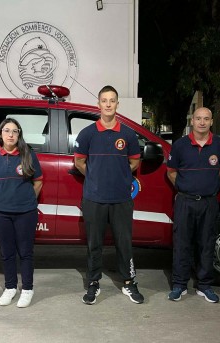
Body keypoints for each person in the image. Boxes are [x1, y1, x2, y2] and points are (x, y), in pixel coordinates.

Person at [74, 85, 144, 305]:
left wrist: (119, 176)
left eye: (112, 100)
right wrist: (95, 176)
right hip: (94, 198)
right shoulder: (87, 133)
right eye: (104, 100)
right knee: (94, 243)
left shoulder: (127, 134)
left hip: (121, 198)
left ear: (117, 104)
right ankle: (93, 283)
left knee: (124, 242)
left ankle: (129, 282)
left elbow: (134, 161)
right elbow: (79, 162)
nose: (108, 104)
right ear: (99, 104)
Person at [166, 107, 220, 303]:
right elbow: (171, 172)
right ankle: (179, 285)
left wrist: (208, 187)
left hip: (209, 202)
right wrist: (186, 188)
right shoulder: (180, 145)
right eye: (198, 118)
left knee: (207, 244)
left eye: (206, 119)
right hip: (185, 202)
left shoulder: (219, 145)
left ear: (211, 122)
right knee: (182, 244)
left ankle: (204, 286)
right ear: (191, 121)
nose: (202, 122)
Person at [0, 118, 43, 308]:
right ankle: (10, 287)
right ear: (0, 134)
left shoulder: (28, 154)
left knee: (25, 252)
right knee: (6, 252)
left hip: (25, 212)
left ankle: (27, 289)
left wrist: (25, 199)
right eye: (7, 130)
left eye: (15, 131)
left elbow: (38, 181)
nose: (10, 135)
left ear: (19, 135)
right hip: (0, 213)